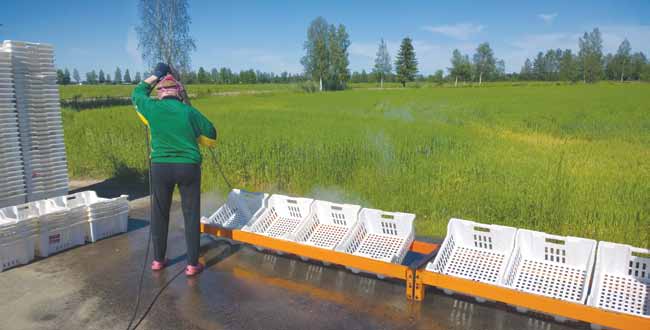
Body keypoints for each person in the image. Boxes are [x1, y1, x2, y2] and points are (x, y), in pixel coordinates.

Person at [131, 63, 216, 276]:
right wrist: (196, 134)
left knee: (159, 213)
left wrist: (156, 75)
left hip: (160, 168)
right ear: (179, 93)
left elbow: (136, 93)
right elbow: (212, 134)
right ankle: (192, 265)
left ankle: (159, 261)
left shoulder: (151, 107)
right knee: (190, 214)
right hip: (188, 167)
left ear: (160, 93)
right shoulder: (188, 111)